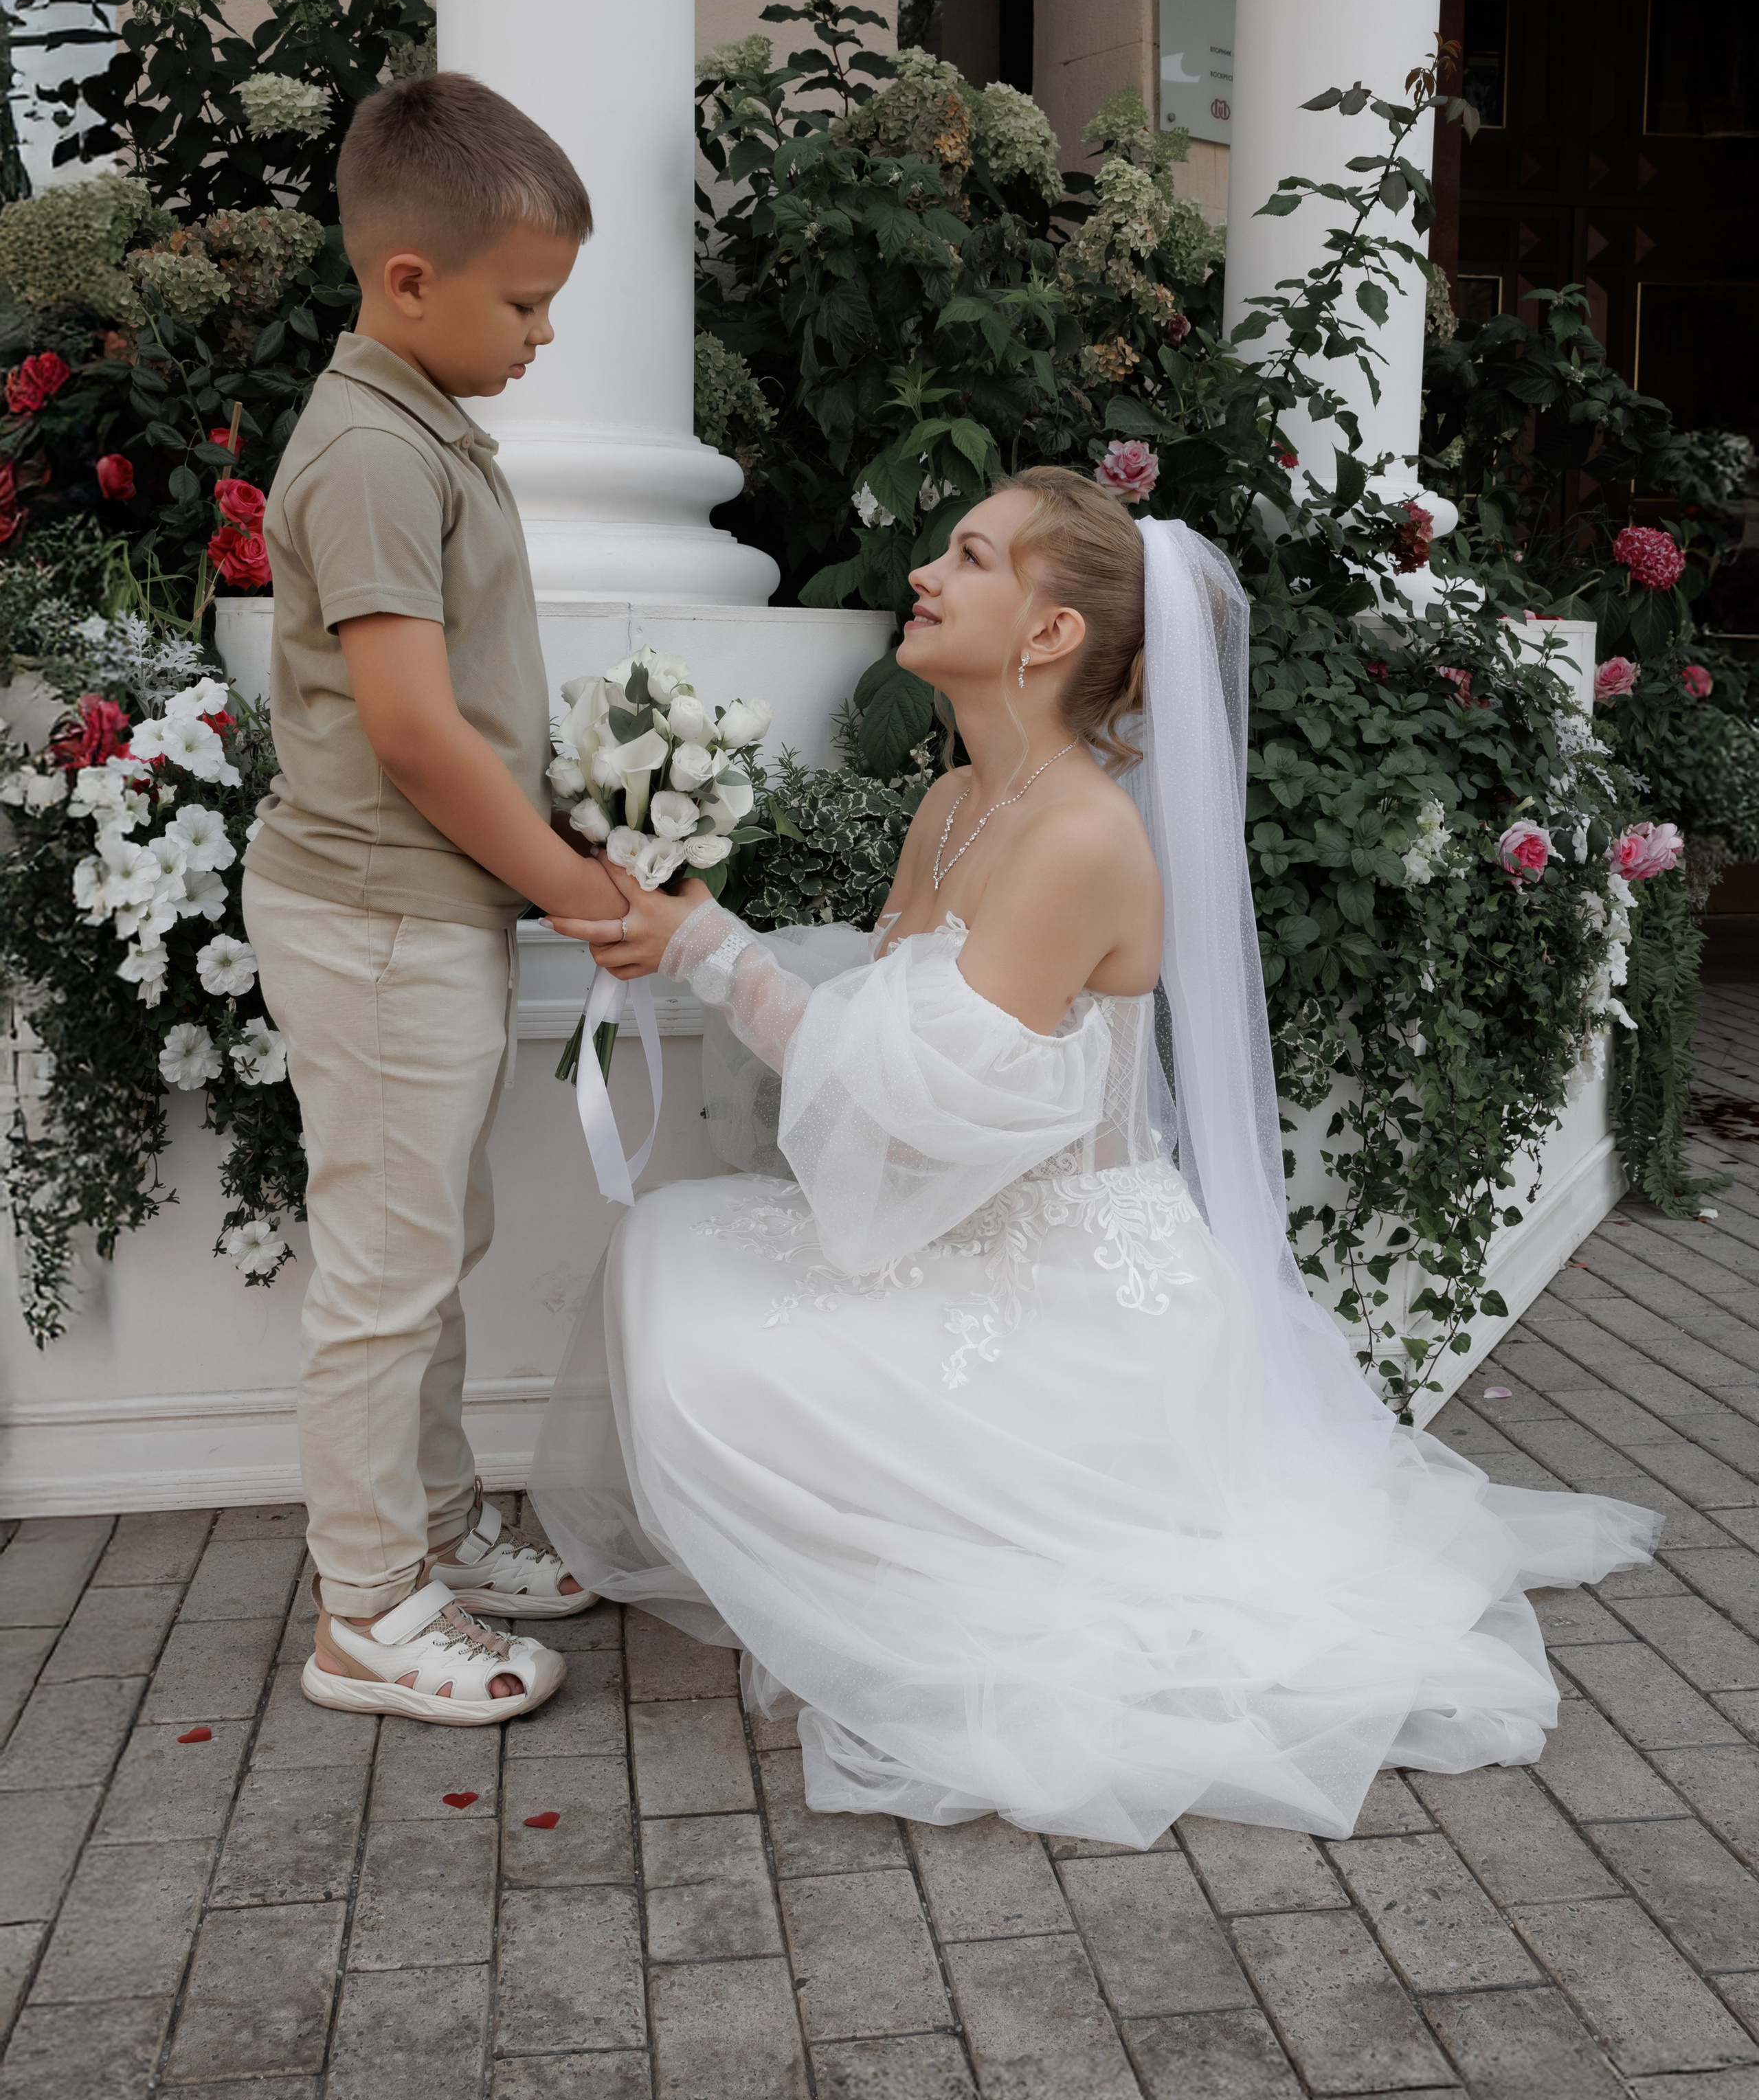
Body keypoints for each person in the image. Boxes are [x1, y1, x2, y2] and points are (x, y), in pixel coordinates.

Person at [531, 468, 1657, 1842]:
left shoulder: (1078, 833)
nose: (927, 576)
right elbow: (878, 1025)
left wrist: (710, 953)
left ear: (1047, 634)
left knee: (725, 1342)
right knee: (673, 1259)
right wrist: (709, 938)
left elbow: (913, 1099)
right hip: (967, 1235)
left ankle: (927, 1547)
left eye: (969, 556)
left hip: (1075, 1292)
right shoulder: (952, 801)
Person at [244, 72, 624, 1726]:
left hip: (418, 917)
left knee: (428, 1246)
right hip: (383, 918)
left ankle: (436, 1532)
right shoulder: (372, 454)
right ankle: (369, 1611)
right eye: (526, 301)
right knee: (387, 1278)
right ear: (410, 283)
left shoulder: (419, 427)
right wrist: (564, 879)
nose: (544, 334)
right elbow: (409, 729)